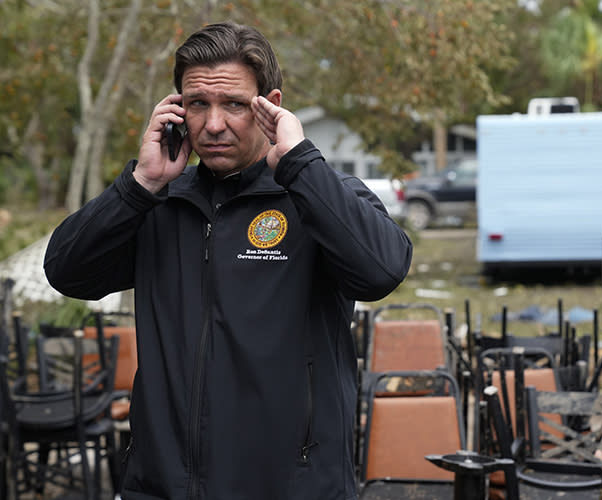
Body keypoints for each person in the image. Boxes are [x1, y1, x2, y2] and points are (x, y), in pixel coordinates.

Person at [44, 21, 412, 500]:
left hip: (291, 487)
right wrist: (138, 187)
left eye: (234, 105)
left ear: (270, 107)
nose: (213, 124)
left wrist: (299, 165)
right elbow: (66, 271)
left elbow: (382, 271)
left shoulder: (319, 195)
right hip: (162, 486)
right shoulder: (158, 201)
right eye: (198, 103)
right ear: (177, 109)